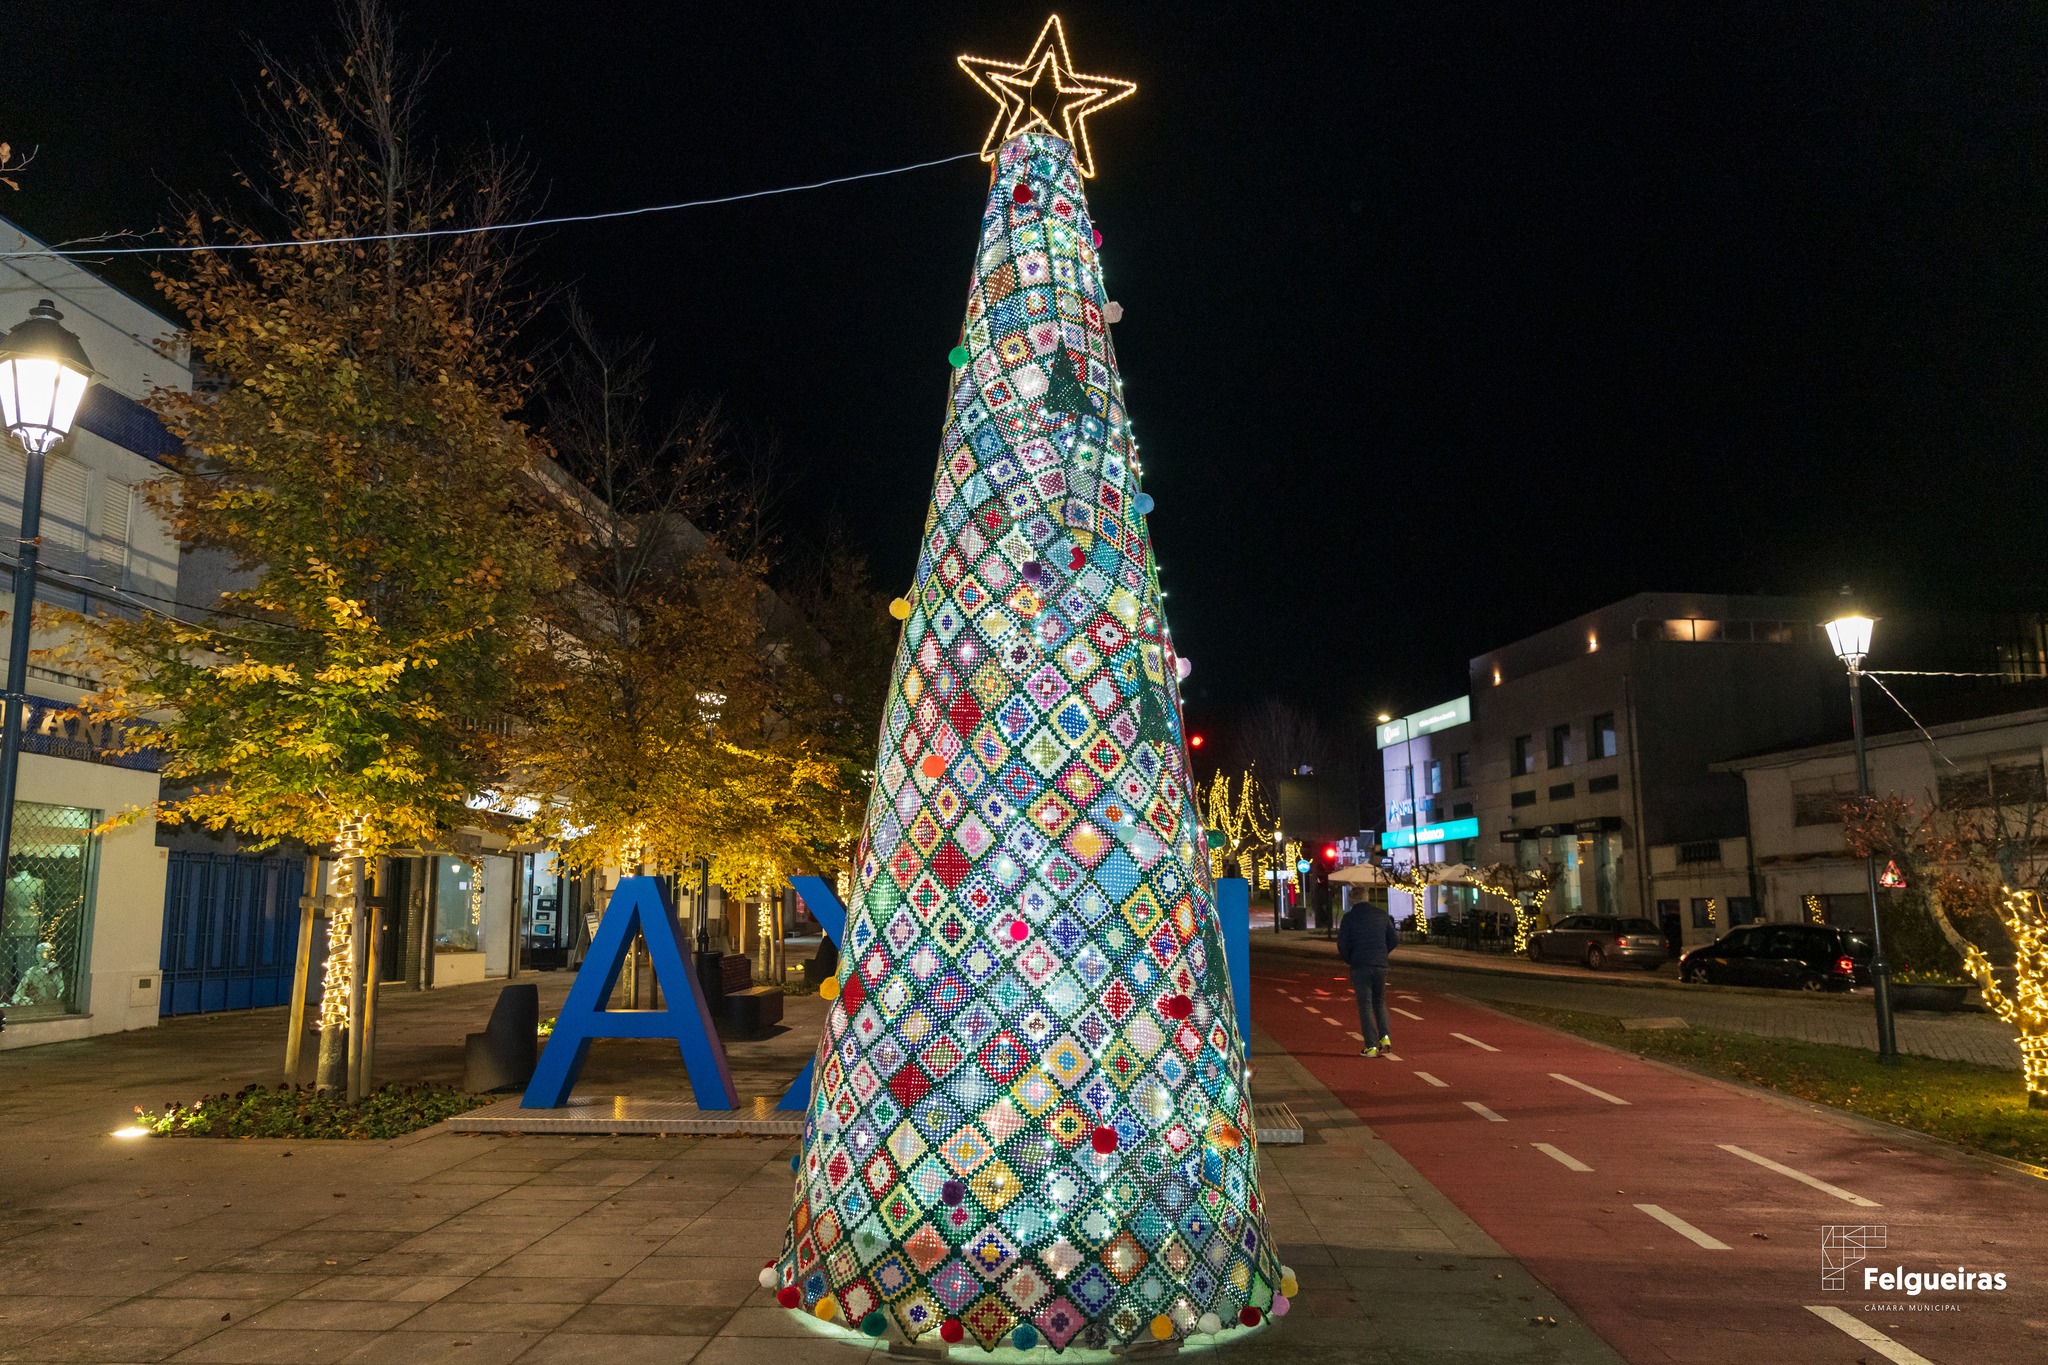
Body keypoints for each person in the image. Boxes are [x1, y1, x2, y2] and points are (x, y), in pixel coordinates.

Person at [1337, 893, 1398, 1057]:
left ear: (1352, 900)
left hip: (1360, 965)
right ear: (1367, 897)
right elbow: (1394, 938)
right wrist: (1383, 953)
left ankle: (1371, 1046)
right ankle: (1385, 1037)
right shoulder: (1381, 915)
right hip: (1380, 964)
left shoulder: (1349, 918)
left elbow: (1342, 943)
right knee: (1379, 1002)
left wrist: (1350, 959)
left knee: (1365, 1005)